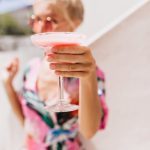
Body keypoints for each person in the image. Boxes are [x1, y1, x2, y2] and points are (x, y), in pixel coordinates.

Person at [3, 0, 108, 149]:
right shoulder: (31, 70)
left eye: (51, 20)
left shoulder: (89, 71)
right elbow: (28, 124)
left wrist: (88, 78)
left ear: (75, 23)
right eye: (36, 20)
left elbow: (89, 132)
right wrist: (8, 85)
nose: (41, 28)